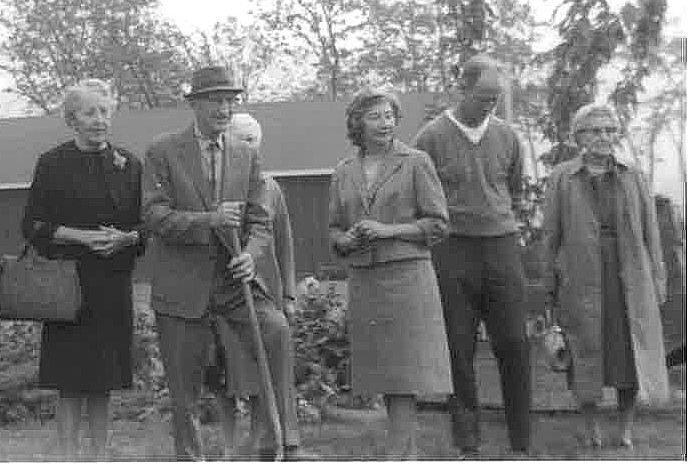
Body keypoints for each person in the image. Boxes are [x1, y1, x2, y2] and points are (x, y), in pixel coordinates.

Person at [142, 65, 303, 461]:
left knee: (275, 330)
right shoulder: (163, 151)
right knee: (185, 386)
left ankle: (275, 444)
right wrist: (207, 220)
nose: (224, 108)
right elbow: (153, 216)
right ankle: (190, 456)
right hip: (182, 284)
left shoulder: (246, 154)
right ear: (195, 104)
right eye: (215, 100)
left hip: (234, 282)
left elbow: (261, 221)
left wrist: (252, 253)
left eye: (230, 100)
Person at [412, 54, 532, 455]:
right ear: (462, 88)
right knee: (457, 349)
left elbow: (513, 188)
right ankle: (467, 443)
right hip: (452, 250)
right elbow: (421, 198)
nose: (490, 104)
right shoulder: (430, 137)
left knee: (514, 343)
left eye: (497, 97)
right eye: (483, 96)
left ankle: (522, 442)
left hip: (501, 246)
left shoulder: (508, 136)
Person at [22, 80, 145, 459]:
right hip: (67, 287)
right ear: (72, 118)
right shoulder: (52, 163)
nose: (99, 119)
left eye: (105, 111)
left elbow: (146, 227)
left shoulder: (129, 164)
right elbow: (33, 226)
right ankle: (67, 456)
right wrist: (81, 237)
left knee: (103, 380)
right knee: (70, 381)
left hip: (111, 284)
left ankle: (98, 455)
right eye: (90, 112)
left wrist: (126, 239)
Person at [328, 90, 453, 457]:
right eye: (375, 117)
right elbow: (334, 229)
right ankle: (404, 452)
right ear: (357, 124)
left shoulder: (416, 162)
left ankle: (398, 454)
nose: (384, 123)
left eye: (389, 116)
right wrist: (346, 239)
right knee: (382, 373)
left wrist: (389, 230)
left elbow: (438, 224)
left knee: (405, 374)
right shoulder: (343, 171)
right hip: (366, 280)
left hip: (407, 278)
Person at [543, 104, 669, 450]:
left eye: (609, 130)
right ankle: (590, 427)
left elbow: (651, 232)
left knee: (629, 353)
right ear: (579, 136)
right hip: (582, 277)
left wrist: (657, 279)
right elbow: (551, 235)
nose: (603, 137)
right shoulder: (562, 178)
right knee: (584, 353)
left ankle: (625, 428)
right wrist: (549, 282)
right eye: (594, 130)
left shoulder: (633, 175)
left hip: (629, 275)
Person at [208, 113, 300, 456]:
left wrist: (289, 293)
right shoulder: (216, 185)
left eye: (254, 139)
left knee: (270, 366)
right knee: (233, 373)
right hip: (228, 290)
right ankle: (233, 445)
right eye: (242, 139)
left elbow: (284, 242)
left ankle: (274, 440)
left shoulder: (270, 186)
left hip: (264, 289)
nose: (250, 145)